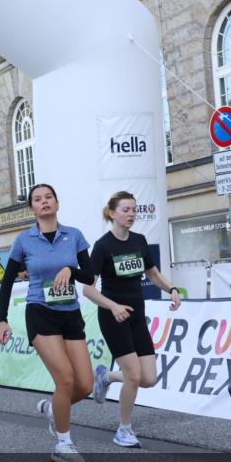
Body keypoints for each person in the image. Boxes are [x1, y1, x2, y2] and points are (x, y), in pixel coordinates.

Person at [0, 184, 95, 462]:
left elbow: (89, 276)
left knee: (85, 385)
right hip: (40, 312)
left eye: (48, 197)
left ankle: (53, 409)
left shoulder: (74, 235)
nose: (44, 202)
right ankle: (63, 444)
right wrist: (2, 319)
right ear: (32, 209)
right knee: (65, 379)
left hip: (70, 313)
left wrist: (71, 270)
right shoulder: (23, 240)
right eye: (38, 199)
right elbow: (6, 283)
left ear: (57, 203)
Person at [83, 191, 182, 448]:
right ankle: (124, 429)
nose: (131, 214)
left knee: (148, 378)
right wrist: (113, 306)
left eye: (134, 210)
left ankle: (106, 376)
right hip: (112, 316)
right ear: (112, 213)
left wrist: (172, 289)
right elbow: (88, 290)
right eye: (126, 210)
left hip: (137, 315)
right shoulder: (103, 246)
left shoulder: (139, 241)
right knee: (134, 375)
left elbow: (153, 274)